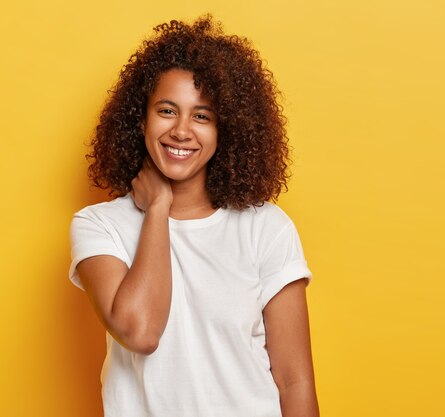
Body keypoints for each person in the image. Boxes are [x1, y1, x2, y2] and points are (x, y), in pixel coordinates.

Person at [68, 15, 319, 417]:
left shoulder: (265, 228)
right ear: (141, 118)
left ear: (227, 130)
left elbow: (295, 380)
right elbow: (141, 331)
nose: (182, 130)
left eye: (202, 116)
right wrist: (157, 209)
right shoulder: (100, 226)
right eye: (167, 110)